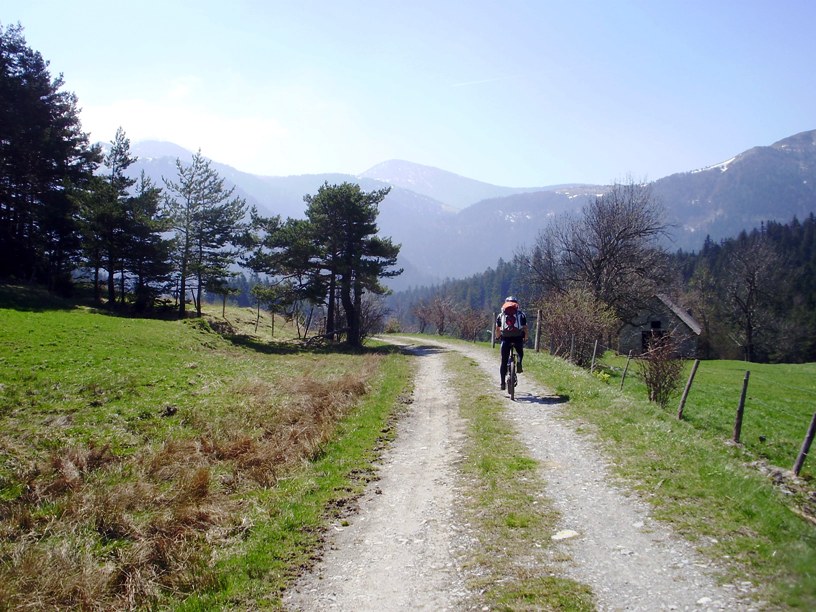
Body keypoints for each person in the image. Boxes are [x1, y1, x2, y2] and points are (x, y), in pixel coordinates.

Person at [495, 296, 528, 390]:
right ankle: (519, 362)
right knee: (520, 352)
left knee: (503, 362)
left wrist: (497, 337)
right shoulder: (521, 314)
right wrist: (526, 338)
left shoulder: (501, 314)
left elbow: (497, 329)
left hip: (505, 339)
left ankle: (502, 383)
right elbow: (525, 327)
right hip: (517, 338)